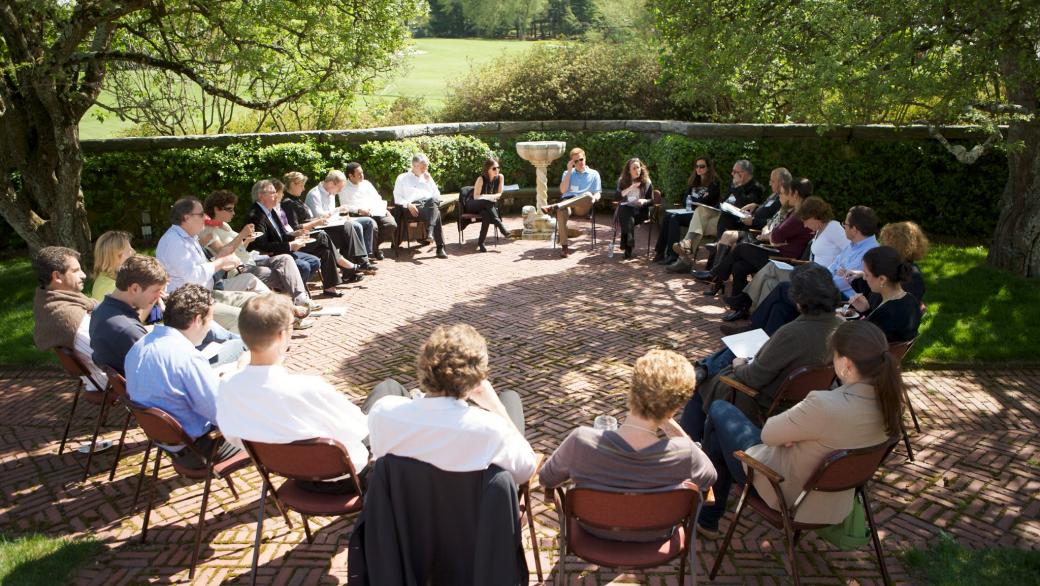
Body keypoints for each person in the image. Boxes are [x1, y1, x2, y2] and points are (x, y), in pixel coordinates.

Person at [695, 320, 900, 538]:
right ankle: (707, 515)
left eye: (835, 354)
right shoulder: (891, 406)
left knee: (718, 411)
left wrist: (795, 432)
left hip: (786, 493)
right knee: (719, 432)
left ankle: (707, 511)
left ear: (847, 364)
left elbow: (768, 434)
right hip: (837, 501)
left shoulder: (824, 405)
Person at [539, 349, 717, 537]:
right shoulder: (685, 453)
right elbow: (710, 479)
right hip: (656, 536)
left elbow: (546, 479)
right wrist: (669, 423)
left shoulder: (581, 441)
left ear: (632, 390)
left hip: (592, 532)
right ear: (677, 406)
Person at [216, 293, 369, 493]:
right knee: (387, 392)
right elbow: (359, 429)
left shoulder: (228, 385)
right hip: (346, 477)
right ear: (281, 335)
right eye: (291, 327)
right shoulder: (308, 387)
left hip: (288, 475)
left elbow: (234, 436)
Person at [680, 263, 843, 442]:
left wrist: (739, 366)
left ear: (798, 298)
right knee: (735, 349)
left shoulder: (791, 332)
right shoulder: (840, 327)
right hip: (798, 397)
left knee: (704, 386)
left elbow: (753, 378)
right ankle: (706, 369)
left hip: (762, 400)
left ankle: (688, 444)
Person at [366, 324, 536, 485]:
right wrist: (498, 408)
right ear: (477, 379)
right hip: (472, 515)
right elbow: (526, 470)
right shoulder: (491, 429)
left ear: (425, 367)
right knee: (510, 398)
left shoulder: (383, 411)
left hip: (404, 513)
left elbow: (379, 457)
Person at [124, 284, 243, 470]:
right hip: (202, 450)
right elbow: (221, 415)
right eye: (210, 319)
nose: (210, 326)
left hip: (168, 443)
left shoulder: (138, 347)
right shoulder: (186, 357)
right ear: (197, 320)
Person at [724, 205, 881, 337]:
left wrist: (818, 280)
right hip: (826, 286)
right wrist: (821, 277)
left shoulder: (870, 252)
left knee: (783, 288)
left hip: (838, 297)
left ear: (855, 229)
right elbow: (834, 267)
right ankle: (758, 337)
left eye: (845, 224)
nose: (844, 227)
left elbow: (844, 281)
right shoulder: (852, 245)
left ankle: (750, 329)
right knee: (780, 306)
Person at [698, 177, 815, 320]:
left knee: (741, 248)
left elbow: (777, 235)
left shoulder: (799, 214)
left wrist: (773, 236)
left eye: (786, 192)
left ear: (795, 194)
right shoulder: (794, 211)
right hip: (777, 252)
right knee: (739, 266)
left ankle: (716, 275)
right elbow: (776, 233)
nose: (782, 196)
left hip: (782, 260)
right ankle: (739, 308)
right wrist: (773, 236)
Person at [200, 190, 317, 328]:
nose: (233, 213)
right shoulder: (208, 231)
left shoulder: (224, 225)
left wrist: (247, 240)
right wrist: (241, 235)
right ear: (216, 209)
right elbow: (223, 252)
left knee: (285, 258)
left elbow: (239, 248)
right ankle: (290, 313)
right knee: (283, 275)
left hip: (251, 260)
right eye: (229, 209)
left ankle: (300, 301)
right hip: (237, 269)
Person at [156, 197, 257, 332]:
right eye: (201, 214)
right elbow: (193, 277)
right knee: (242, 318)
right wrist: (220, 262)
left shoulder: (188, 237)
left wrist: (220, 258)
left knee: (254, 300)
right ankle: (241, 350)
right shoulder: (175, 241)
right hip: (187, 305)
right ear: (186, 218)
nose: (205, 217)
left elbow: (199, 268)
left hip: (204, 295)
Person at [245, 179, 359, 298]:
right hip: (271, 255)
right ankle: (294, 296)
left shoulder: (270, 211)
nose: (276, 195)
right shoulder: (256, 215)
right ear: (260, 195)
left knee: (321, 255)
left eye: (275, 192)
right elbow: (261, 245)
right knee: (309, 258)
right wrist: (290, 245)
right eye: (272, 193)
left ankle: (301, 293)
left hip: (284, 248)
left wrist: (294, 236)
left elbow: (281, 234)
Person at [741, 196, 849, 313]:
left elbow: (849, 251)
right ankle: (754, 316)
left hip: (818, 280)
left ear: (814, 216)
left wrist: (839, 269)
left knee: (771, 268)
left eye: (805, 221)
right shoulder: (820, 229)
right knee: (769, 283)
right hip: (810, 274)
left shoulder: (833, 227)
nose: (805, 226)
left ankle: (743, 302)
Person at [667, 159, 764, 274]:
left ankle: (685, 257)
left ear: (743, 173)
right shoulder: (733, 183)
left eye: (734, 171)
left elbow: (744, 206)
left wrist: (737, 187)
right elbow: (725, 201)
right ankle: (687, 244)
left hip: (732, 224)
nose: (732, 174)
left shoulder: (756, 188)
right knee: (701, 210)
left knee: (698, 225)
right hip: (720, 216)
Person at [31, 246, 106, 391]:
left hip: (98, 377)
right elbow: (106, 356)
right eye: (76, 271)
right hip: (109, 381)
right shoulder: (70, 318)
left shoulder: (49, 303)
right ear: (57, 277)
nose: (84, 275)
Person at [697, 167, 790, 273]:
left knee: (727, 235)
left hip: (754, 231)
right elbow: (767, 210)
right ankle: (713, 268)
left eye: (772, 181)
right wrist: (756, 206)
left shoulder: (781, 200)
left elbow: (773, 223)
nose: (769, 183)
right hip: (747, 223)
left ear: (781, 182)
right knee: (726, 217)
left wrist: (753, 221)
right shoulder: (774, 195)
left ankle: (714, 271)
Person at [90, 255, 168, 374]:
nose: (160, 296)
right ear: (135, 288)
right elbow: (160, 366)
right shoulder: (128, 329)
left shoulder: (100, 310)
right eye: (156, 291)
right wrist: (172, 325)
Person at [296, 172, 377, 269]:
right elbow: (319, 216)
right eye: (339, 188)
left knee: (360, 224)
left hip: (331, 226)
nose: (339, 191)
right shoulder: (314, 194)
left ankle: (360, 262)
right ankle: (359, 263)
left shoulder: (331, 193)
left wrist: (341, 214)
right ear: (331, 183)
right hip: (319, 230)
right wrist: (338, 210)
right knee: (351, 228)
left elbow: (331, 215)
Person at [847, 246, 923, 343]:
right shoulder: (910, 300)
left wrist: (840, 323)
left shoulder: (887, 313)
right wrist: (866, 309)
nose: (864, 278)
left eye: (866, 274)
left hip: (871, 355)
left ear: (882, 279)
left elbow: (856, 341)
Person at [654, 156, 721, 264]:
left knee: (674, 218)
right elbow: (685, 199)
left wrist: (694, 200)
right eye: (697, 166)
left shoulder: (714, 184)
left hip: (700, 217)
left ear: (708, 168)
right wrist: (696, 200)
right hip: (689, 211)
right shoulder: (694, 181)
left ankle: (673, 255)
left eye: (702, 166)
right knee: (668, 217)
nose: (698, 169)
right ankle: (660, 253)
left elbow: (706, 202)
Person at [542, 147, 602, 257]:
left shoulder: (594, 174)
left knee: (588, 195)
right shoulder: (567, 173)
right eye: (576, 161)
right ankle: (564, 248)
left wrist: (595, 198)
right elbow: (563, 190)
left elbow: (598, 192)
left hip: (583, 205)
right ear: (572, 162)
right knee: (560, 211)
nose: (579, 162)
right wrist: (570, 171)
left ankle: (555, 206)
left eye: (581, 159)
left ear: (585, 158)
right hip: (568, 203)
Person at [337, 164, 398, 260]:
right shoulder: (344, 188)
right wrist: (359, 210)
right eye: (359, 174)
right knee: (372, 226)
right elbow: (345, 206)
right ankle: (368, 253)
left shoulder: (366, 183)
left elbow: (377, 198)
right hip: (359, 214)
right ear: (351, 176)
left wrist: (383, 209)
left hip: (375, 211)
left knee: (391, 224)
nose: (362, 175)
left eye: (362, 173)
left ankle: (373, 248)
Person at [392, 153, 447, 259]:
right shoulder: (402, 178)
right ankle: (439, 247)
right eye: (423, 167)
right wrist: (408, 205)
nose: (425, 169)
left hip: (428, 205)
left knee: (434, 203)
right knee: (437, 214)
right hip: (412, 207)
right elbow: (397, 197)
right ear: (414, 165)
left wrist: (429, 182)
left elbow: (437, 195)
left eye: (426, 167)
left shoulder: (426, 177)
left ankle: (430, 232)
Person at [464, 157, 510, 253]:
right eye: (494, 168)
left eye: (498, 167)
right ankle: (500, 226)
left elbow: (499, 194)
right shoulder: (481, 179)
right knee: (486, 201)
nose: (497, 170)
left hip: (486, 207)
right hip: (473, 205)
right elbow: (476, 197)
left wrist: (490, 197)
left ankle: (481, 243)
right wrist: (488, 197)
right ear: (487, 169)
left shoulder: (500, 177)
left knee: (486, 215)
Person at [614, 158, 654, 260]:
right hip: (626, 211)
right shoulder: (622, 181)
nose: (637, 170)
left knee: (627, 217)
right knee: (625, 210)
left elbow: (652, 200)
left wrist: (644, 201)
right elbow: (618, 197)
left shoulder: (647, 182)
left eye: (638, 167)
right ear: (629, 170)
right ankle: (629, 242)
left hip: (641, 212)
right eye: (634, 168)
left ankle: (626, 243)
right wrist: (631, 187)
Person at [90, 231, 135, 301]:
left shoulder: (109, 279)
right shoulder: (111, 288)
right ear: (115, 256)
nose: (134, 252)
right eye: (129, 250)